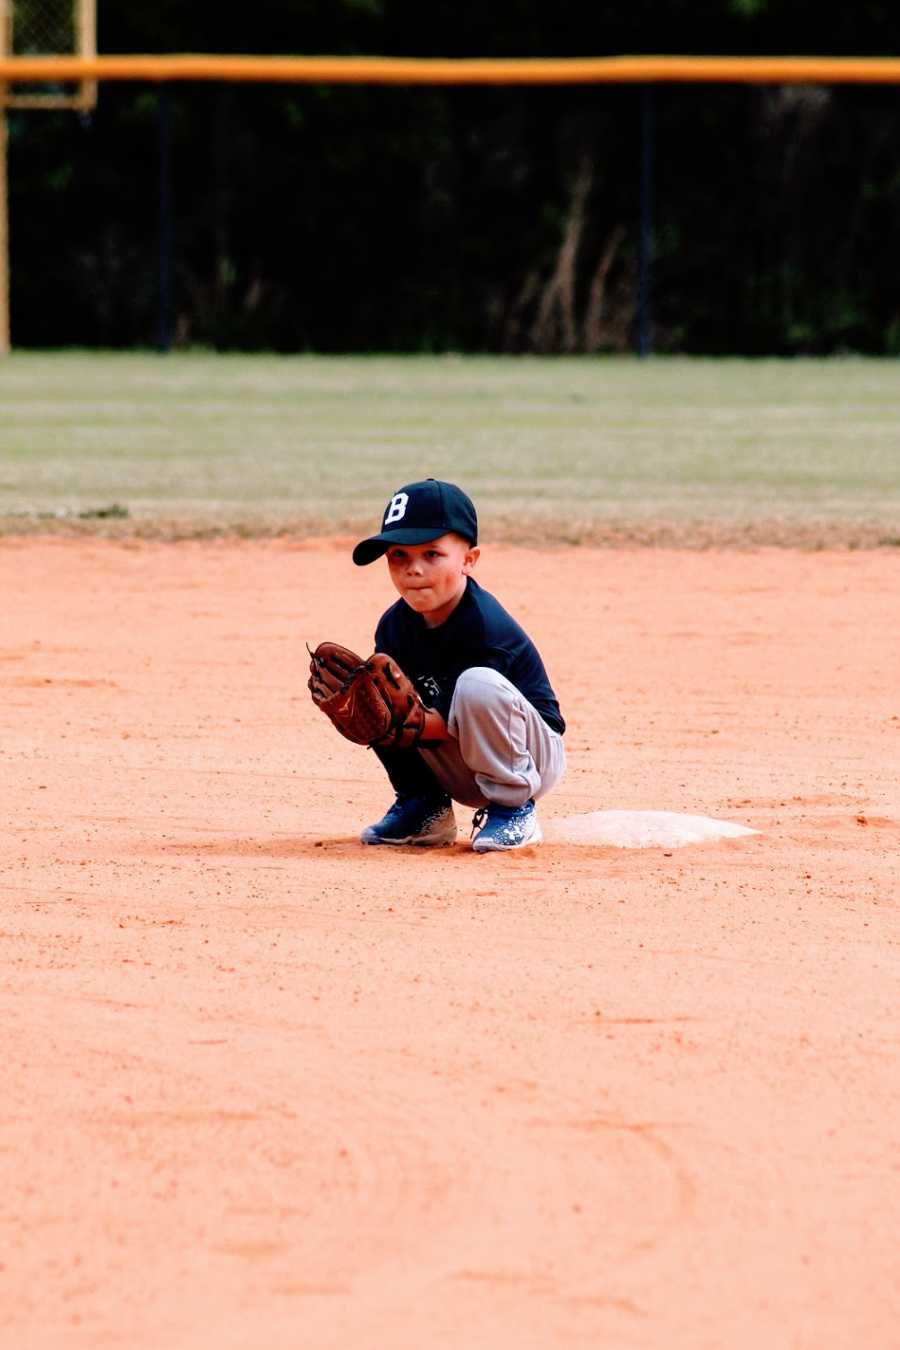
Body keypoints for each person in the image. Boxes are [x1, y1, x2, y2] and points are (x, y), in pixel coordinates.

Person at [351, 478, 565, 852]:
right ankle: (425, 806)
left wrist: (408, 720)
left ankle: (514, 810)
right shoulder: (394, 626)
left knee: (476, 684)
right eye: (398, 555)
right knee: (376, 691)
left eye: (431, 554)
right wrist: (378, 714)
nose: (412, 569)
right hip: (462, 758)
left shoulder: (484, 625)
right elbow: (421, 721)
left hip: (528, 757)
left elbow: (448, 721)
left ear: (469, 560)